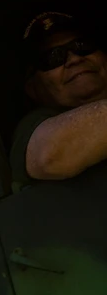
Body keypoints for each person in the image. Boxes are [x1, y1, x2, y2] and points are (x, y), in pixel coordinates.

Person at [10, 11, 107, 188]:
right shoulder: (34, 126)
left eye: (82, 45)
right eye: (53, 57)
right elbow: (50, 155)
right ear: (33, 89)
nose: (74, 59)